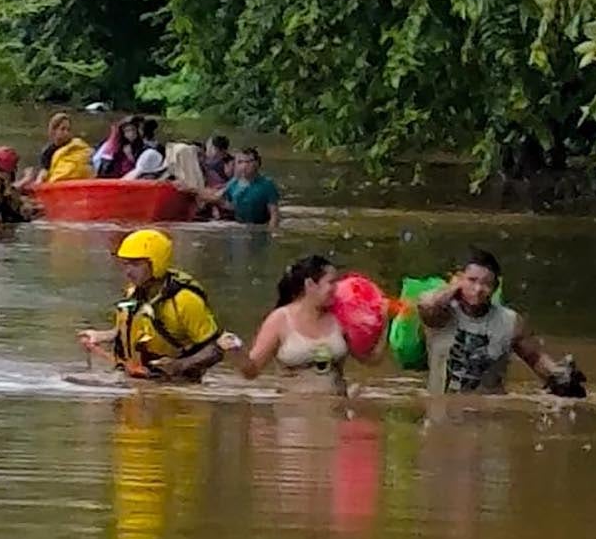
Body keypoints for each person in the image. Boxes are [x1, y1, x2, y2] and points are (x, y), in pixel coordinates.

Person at [416, 247, 586, 397]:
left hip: (489, 413)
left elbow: (537, 359)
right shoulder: (441, 313)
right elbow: (427, 305)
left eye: (486, 283)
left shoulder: (509, 322)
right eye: (472, 280)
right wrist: (453, 288)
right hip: (441, 411)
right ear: (459, 279)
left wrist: (560, 375)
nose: (478, 290)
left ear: (495, 287)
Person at [219, 255, 385, 395]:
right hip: (291, 419)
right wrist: (236, 351)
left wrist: (386, 324)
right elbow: (252, 371)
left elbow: (370, 360)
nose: (337, 288)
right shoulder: (280, 320)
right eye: (331, 283)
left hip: (334, 418)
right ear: (310, 285)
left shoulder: (340, 318)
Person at [77, 229, 224, 381]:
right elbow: (129, 329)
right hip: (137, 381)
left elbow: (215, 349)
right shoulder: (133, 291)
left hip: (176, 387)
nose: (128, 272)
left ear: (156, 263)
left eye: (135, 264)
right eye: (125, 264)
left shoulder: (185, 300)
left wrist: (178, 366)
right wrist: (100, 336)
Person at [203, 147, 280, 227]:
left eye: (248, 162)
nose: (244, 166)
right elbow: (218, 197)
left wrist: (272, 232)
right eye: (240, 162)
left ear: (257, 163)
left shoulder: (267, 185)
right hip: (240, 226)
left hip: (260, 226)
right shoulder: (234, 182)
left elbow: (274, 214)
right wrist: (198, 193)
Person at [31, 112, 93, 184]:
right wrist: (38, 183)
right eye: (62, 129)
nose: (66, 133)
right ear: (54, 131)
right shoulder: (48, 152)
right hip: (59, 184)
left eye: (68, 130)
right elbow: (44, 172)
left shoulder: (77, 146)